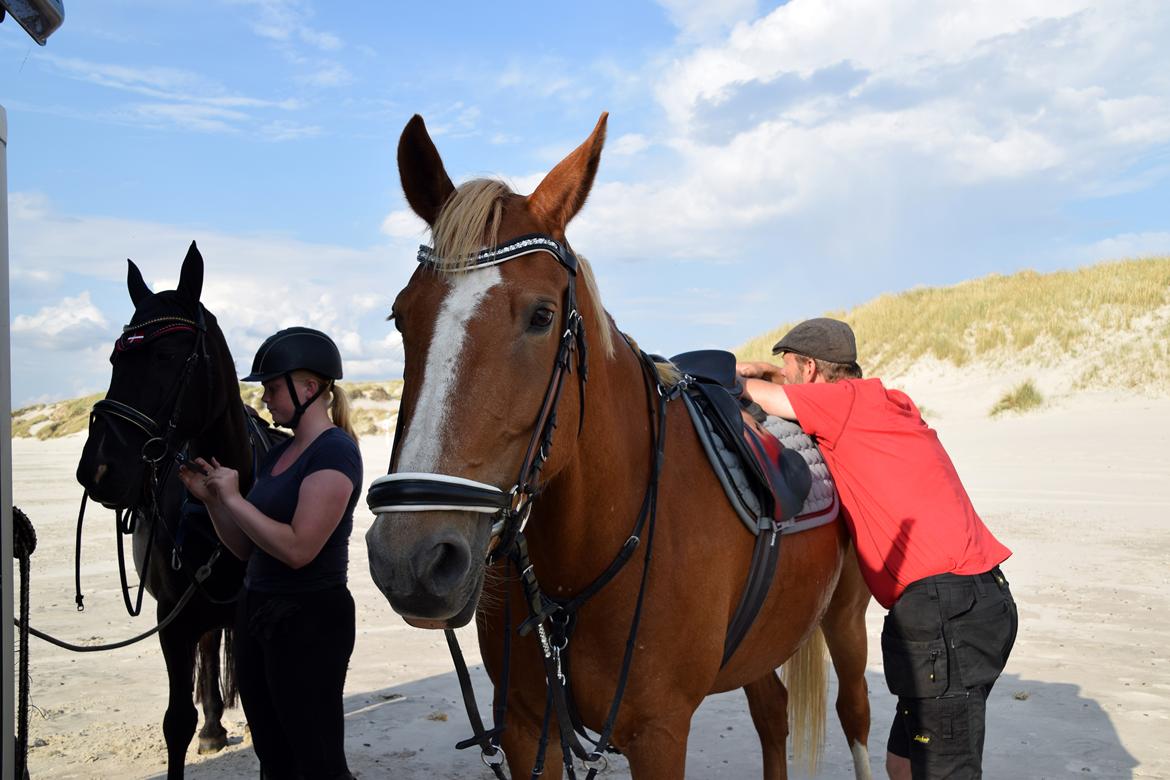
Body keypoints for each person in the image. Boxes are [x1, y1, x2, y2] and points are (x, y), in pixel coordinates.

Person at [737, 317, 1017, 780]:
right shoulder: (889, 401)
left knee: (944, 772)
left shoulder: (840, 405)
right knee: (902, 764)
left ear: (809, 370)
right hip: (976, 602)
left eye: (788, 368)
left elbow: (756, 395)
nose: (784, 376)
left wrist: (737, 369)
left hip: (945, 614)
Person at [178, 326, 362, 780]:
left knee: (316, 760)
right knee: (274, 757)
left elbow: (300, 549)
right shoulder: (281, 453)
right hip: (259, 612)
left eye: (272, 387)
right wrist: (215, 501)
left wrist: (236, 499)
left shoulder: (334, 452)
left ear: (309, 388)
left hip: (309, 621)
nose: (265, 399)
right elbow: (245, 547)